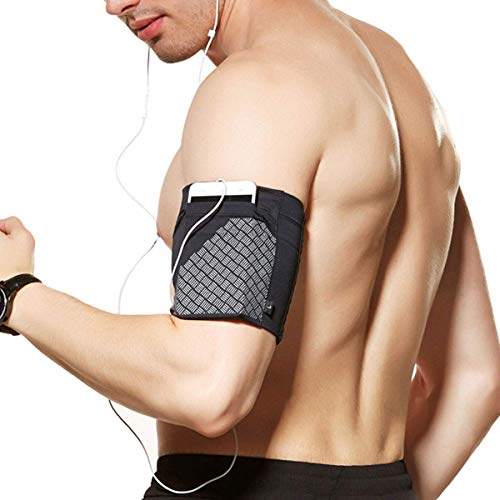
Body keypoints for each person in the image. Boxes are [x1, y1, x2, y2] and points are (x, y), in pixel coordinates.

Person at [1, 1, 498, 499]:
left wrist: (17, 294)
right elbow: (476, 380)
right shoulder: (406, 84)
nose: (114, 6)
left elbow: (208, 383)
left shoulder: (257, 88)